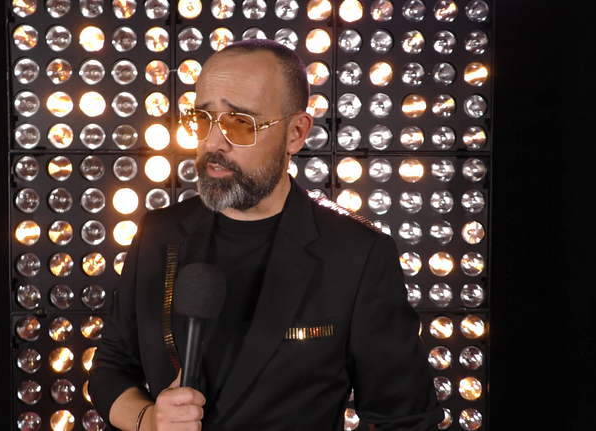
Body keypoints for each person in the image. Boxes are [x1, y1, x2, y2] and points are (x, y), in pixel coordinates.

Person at [89, 39, 442, 431]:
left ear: (296, 133)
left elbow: (406, 419)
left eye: (241, 123)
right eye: (203, 119)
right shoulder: (158, 233)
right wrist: (149, 420)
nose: (213, 142)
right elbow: (111, 368)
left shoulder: (357, 254)